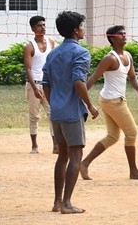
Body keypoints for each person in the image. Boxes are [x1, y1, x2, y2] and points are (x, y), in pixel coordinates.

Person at [42, 11, 99, 214]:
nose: (83, 29)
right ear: (76, 30)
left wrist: (54, 104)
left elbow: (46, 84)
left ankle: (57, 202)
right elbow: (78, 82)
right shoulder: (81, 52)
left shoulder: (53, 54)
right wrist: (90, 106)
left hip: (56, 112)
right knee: (76, 155)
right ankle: (67, 203)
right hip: (72, 111)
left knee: (62, 156)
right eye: (82, 26)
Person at [79, 25, 138, 181]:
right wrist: (81, 98)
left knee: (112, 136)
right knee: (131, 133)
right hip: (112, 101)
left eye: (125, 33)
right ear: (112, 38)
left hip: (113, 100)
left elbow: (132, 76)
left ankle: (84, 164)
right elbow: (93, 78)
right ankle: (134, 172)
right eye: (121, 34)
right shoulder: (110, 58)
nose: (125, 35)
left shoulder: (128, 56)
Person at [23, 15, 57, 154]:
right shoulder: (29, 47)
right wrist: (35, 88)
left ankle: (56, 146)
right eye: (39, 25)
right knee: (34, 116)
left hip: (48, 84)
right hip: (34, 84)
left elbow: (53, 63)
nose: (42, 28)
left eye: (43, 25)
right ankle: (34, 146)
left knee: (53, 114)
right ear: (33, 28)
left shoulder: (51, 42)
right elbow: (28, 69)